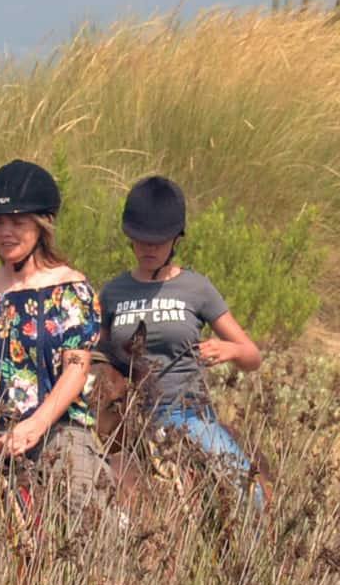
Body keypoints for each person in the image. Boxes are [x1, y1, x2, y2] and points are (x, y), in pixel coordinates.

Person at [0, 160, 118, 509]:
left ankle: (109, 560)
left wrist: (36, 425)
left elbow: (76, 368)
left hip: (57, 429)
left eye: (17, 222)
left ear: (42, 225)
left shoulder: (71, 288)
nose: (6, 231)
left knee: (88, 505)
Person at [98, 175, 268, 492]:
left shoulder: (196, 288)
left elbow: (252, 356)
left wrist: (229, 350)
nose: (148, 247)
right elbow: (96, 358)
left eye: (158, 240)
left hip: (187, 415)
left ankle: (259, 537)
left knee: (248, 491)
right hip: (125, 419)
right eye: (140, 238)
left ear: (176, 239)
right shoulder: (112, 292)